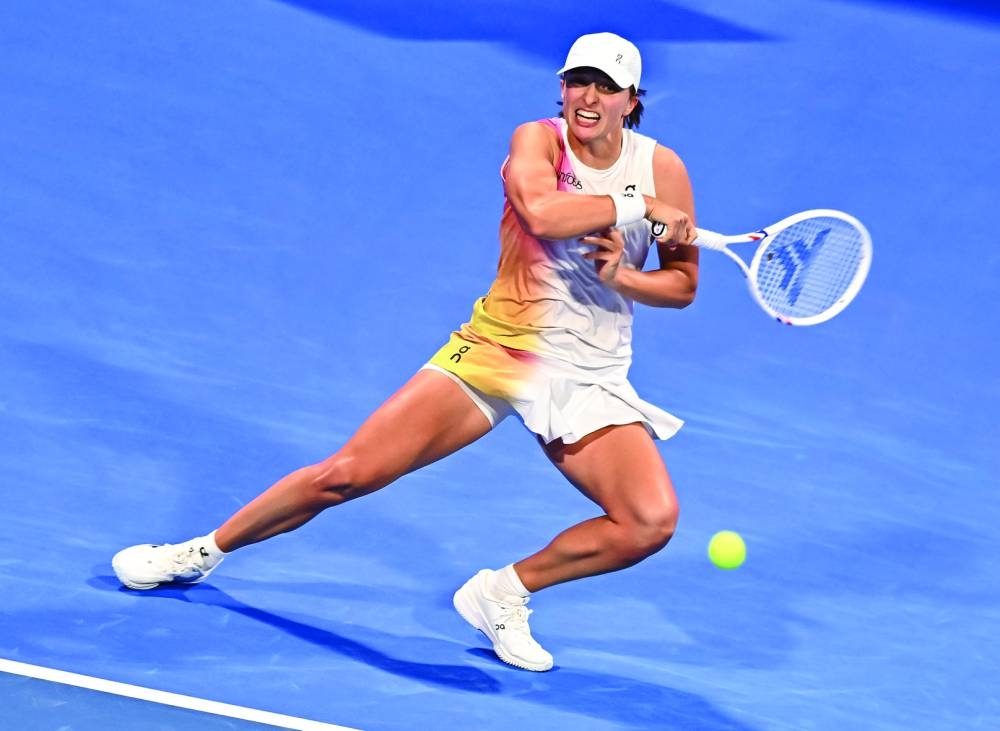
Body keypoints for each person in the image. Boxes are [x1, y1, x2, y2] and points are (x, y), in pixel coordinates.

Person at [112, 32, 699, 673]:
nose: (587, 98)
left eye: (606, 87)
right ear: (562, 87)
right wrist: (636, 204)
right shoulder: (538, 140)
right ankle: (201, 551)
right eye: (577, 81)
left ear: (631, 102)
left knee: (648, 521)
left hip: (590, 373)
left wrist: (622, 277)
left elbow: (682, 286)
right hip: (503, 349)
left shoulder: (662, 167)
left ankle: (501, 593)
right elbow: (539, 211)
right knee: (346, 475)